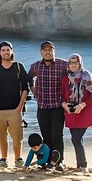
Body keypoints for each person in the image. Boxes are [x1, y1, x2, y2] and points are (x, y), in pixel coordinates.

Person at [28, 41, 68, 171]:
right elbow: (29, 79)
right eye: (45, 50)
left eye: (50, 50)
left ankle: (59, 161)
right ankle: (48, 161)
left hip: (57, 106)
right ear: (41, 52)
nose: (48, 52)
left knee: (57, 135)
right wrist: (34, 91)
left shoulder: (63, 64)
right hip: (42, 106)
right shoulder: (35, 66)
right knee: (46, 136)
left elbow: (75, 72)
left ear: (54, 51)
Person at [0, 41, 28, 168]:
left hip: (15, 110)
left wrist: (20, 107)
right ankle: (4, 159)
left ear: (11, 52)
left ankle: (18, 159)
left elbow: (25, 89)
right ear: (0, 52)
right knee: (2, 138)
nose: (5, 52)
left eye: (8, 50)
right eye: (3, 50)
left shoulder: (18, 66)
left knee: (17, 138)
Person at [61, 53, 92, 174]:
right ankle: (79, 165)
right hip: (71, 111)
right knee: (75, 139)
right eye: (71, 63)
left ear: (80, 63)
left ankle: (84, 165)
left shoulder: (86, 76)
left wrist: (81, 105)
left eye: (76, 63)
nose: (73, 65)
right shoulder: (66, 78)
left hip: (85, 110)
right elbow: (61, 95)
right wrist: (64, 104)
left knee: (76, 138)